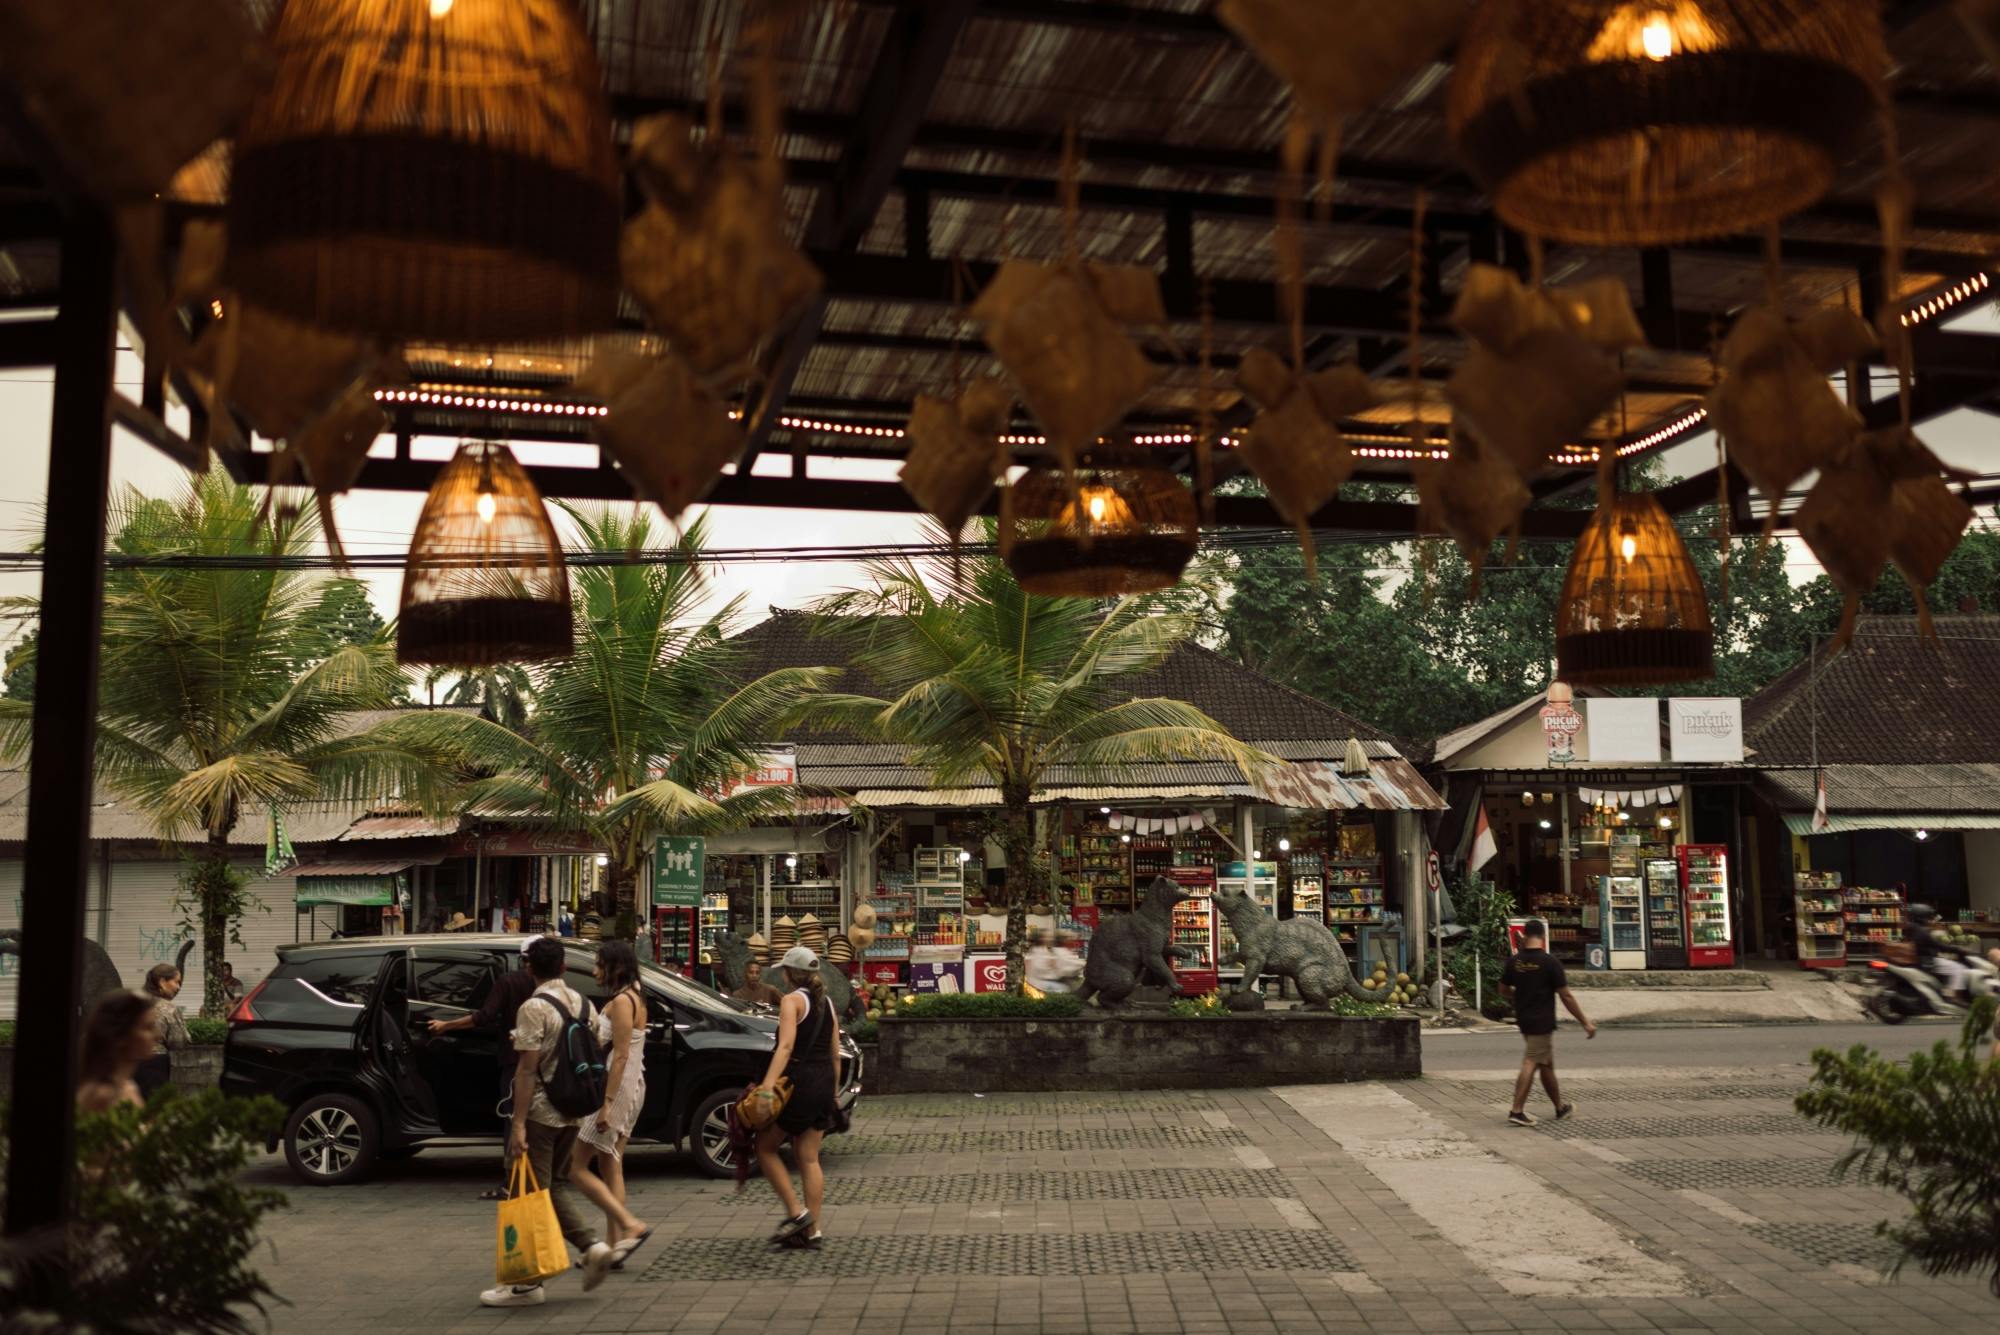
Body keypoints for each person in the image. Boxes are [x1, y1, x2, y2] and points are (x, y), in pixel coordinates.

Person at [431, 935, 545, 1200]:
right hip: (547, 1064)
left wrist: (445, 1025)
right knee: (540, 1124)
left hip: (515, 1063)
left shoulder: (509, 982)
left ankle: (513, 1183)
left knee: (515, 1123)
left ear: (523, 959)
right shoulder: (557, 989)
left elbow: (484, 1017)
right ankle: (539, 1180)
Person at [752, 945, 844, 1250]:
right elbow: (835, 1054)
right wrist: (833, 1094)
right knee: (809, 1157)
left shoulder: (791, 1001)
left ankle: (797, 1212)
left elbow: (786, 1047)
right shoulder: (827, 1004)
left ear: (790, 974)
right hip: (824, 1082)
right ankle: (812, 1230)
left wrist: (766, 1087)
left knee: (764, 1147)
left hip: (800, 1082)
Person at [576, 940, 651, 1267]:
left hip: (618, 1089)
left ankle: (630, 1227)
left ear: (614, 967)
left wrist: (606, 1104)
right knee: (610, 1164)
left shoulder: (623, 1002)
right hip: (631, 1085)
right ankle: (614, 1246)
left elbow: (619, 1056)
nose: (595, 971)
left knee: (575, 1167)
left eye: (599, 964)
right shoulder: (633, 997)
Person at [1499, 920, 1596, 1127]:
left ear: (1525, 935)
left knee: (1546, 1065)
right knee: (1532, 1061)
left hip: (1524, 1019)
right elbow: (1566, 996)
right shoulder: (1550, 962)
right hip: (1541, 1021)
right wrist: (1585, 1022)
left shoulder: (1514, 962)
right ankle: (1517, 1110)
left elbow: (1503, 990)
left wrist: (1518, 996)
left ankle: (1560, 1107)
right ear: (1543, 936)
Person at [78, 990, 158, 1113]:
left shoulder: (129, 1087)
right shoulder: (102, 1096)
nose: (158, 1035)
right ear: (121, 1035)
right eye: (148, 1027)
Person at [136, 963, 190, 1098]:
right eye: (176, 982)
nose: (178, 987)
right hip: (154, 1064)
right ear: (162, 982)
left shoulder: (133, 1002)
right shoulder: (167, 1008)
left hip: (128, 1061)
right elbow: (178, 1042)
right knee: (154, 1105)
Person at [1906, 904, 1971, 1003]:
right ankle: (1955, 997)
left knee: (1949, 963)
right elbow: (1938, 946)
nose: (1930, 920)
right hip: (1928, 961)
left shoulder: (1912, 927)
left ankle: (1946, 992)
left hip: (1922, 959)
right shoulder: (1922, 931)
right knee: (1959, 968)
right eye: (1928, 917)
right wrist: (1957, 949)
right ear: (1922, 916)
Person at [1025, 930, 1084, 995]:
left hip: (1044, 980)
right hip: (1038, 982)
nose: (1049, 939)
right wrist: (1056, 971)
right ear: (1040, 939)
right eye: (1046, 937)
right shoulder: (1038, 952)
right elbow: (1042, 969)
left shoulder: (1045, 951)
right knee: (1064, 989)